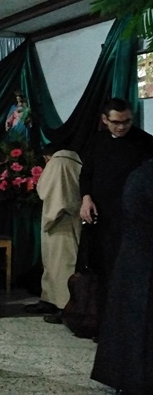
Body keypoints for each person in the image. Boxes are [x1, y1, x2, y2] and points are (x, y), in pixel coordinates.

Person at [79, 98, 153, 334]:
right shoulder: (97, 142)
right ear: (105, 120)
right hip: (103, 220)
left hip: (134, 222)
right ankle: (104, 329)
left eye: (126, 122)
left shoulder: (145, 143)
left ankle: (130, 331)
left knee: (130, 275)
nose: (121, 127)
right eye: (116, 122)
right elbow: (86, 175)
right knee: (104, 273)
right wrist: (86, 198)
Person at [91, 159, 153, 393]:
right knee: (139, 328)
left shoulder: (141, 174)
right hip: (144, 264)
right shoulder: (146, 178)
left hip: (134, 261)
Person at [23, 144, 82, 323]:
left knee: (62, 265)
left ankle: (65, 307)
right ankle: (49, 299)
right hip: (72, 216)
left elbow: (46, 190)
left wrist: (50, 218)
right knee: (55, 263)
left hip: (59, 218)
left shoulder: (57, 163)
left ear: (47, 157)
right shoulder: (76, 161)